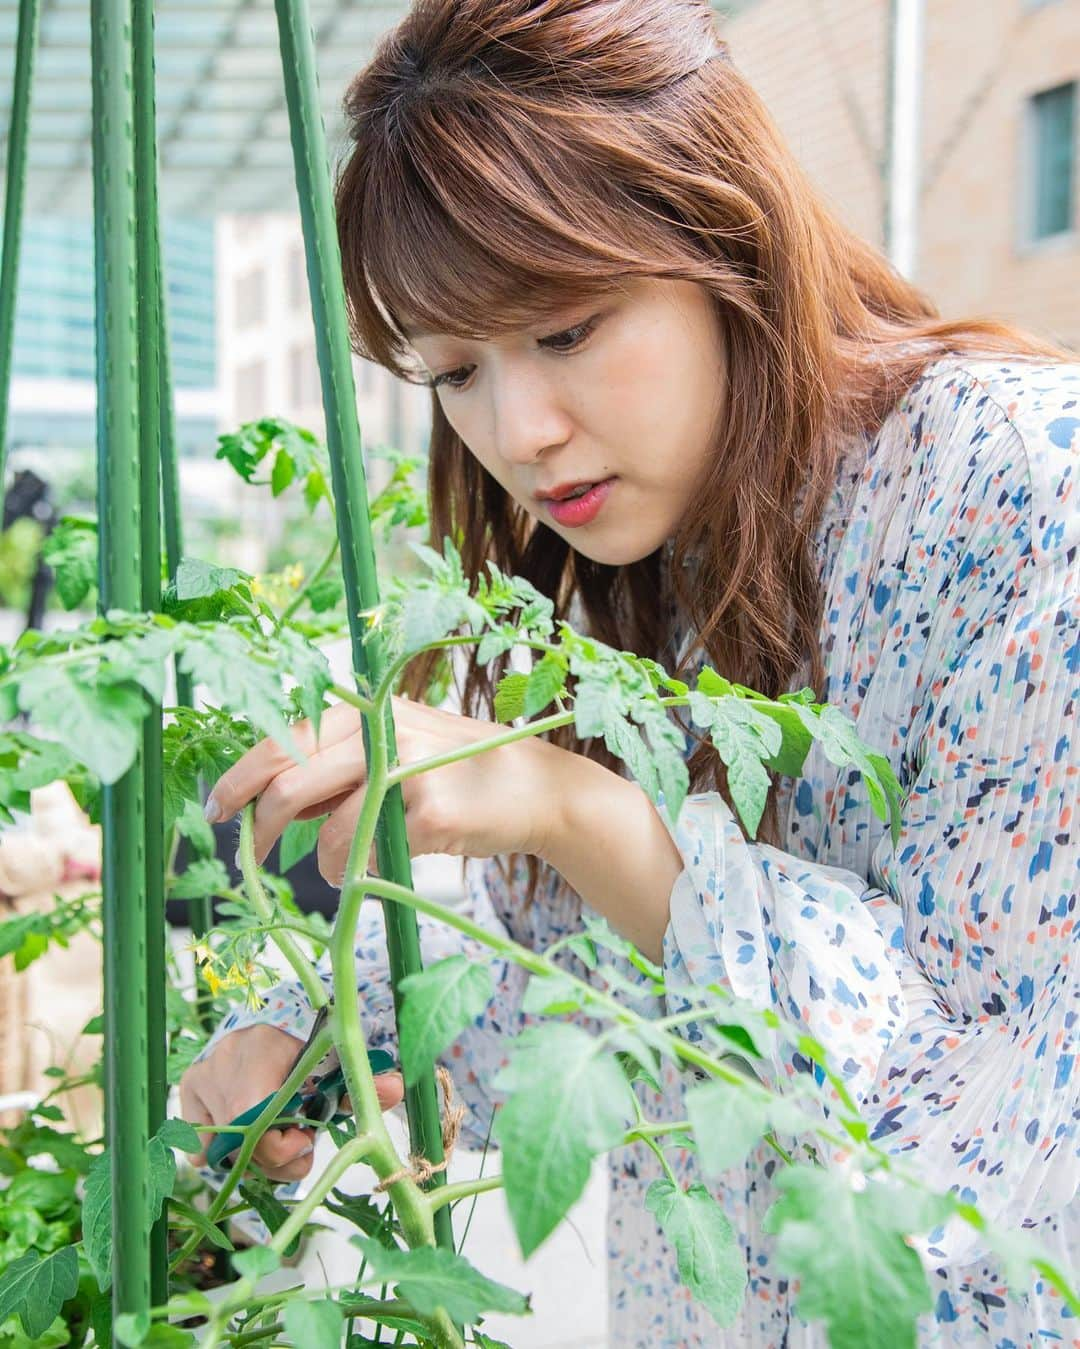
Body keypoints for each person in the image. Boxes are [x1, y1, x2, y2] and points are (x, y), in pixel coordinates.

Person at [180, 2, 1079, 1343]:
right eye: (455, 375)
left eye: (566, 331)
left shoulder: (1019, 488)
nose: (520, 433)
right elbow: (564, 990)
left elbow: (1004, 1139)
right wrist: (316, 1037)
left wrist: (584, 811)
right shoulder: (645, 562)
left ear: (721, 237)